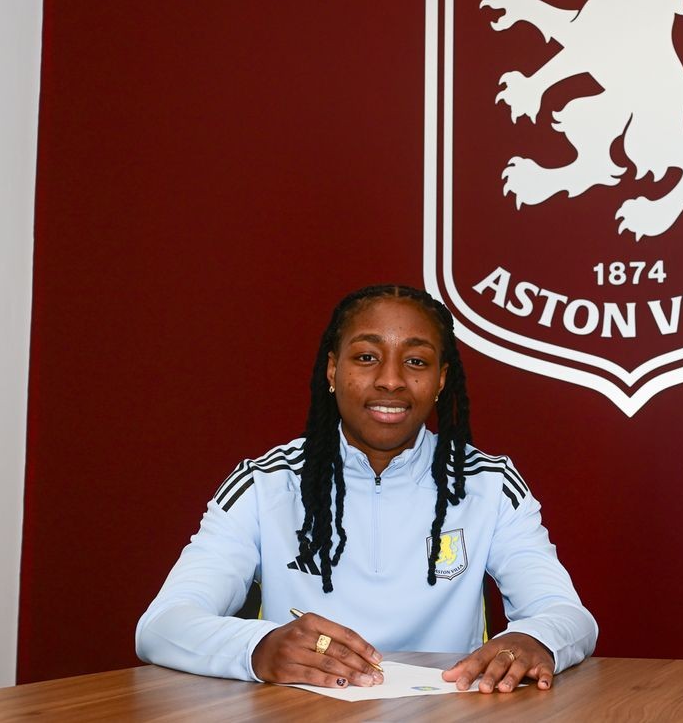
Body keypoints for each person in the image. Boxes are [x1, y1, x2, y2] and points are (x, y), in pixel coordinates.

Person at [135, 284, 597, 693]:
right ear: (332, 370)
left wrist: (534, 639)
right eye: (366, 357)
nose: (391, 380)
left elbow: (567, 614)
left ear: (441, 379)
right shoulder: (266, 482)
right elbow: (162, 625)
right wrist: (259, 648)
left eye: (415, 361)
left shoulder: (489, 483)